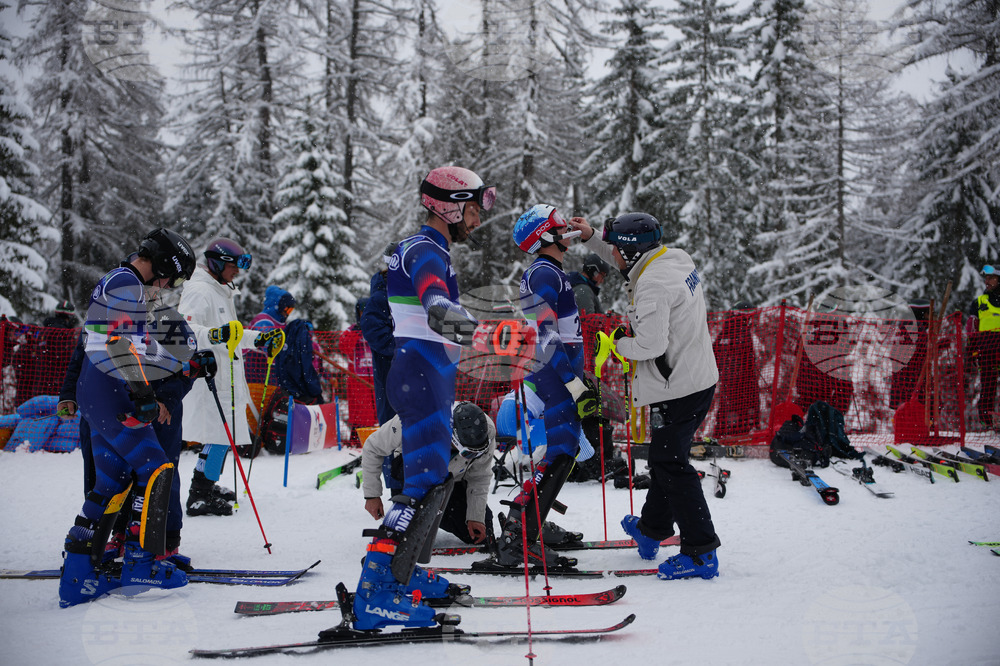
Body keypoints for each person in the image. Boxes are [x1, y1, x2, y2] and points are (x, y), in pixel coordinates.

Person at [348, 165, 493, 632]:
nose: (477, 219)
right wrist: (491, 336)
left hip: (426, 373)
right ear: (449, 206)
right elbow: (436, 307)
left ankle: (402, 571)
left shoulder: (426, 248)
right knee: (422, 483)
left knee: (431, 478)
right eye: (473, 209)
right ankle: (376, 589)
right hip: (421, 375)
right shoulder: (427, 250)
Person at [568, 212, 721, 581]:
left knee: (669, 464)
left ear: (633, 253)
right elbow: (624, 255)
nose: (613, 258)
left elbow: (650, 345)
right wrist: (591, 237)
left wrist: (617, 341)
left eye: (618, 251)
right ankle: (652, 530)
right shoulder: (672, 259)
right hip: (693, 378)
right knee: (665, 458)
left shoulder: (652, 283)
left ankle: (701, 552)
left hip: (680, 386)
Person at [58, 228, 196, 608]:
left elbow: (111, 339)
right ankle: (142, 563)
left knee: (111, 478)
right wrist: (142, 393)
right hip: (109, 388)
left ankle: (78, 574)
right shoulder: (128, 284)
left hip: (98, 387)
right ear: (164, 263)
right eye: (171, 275)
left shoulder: (118, 281)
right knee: (156, 468)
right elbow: (117, 344)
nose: (167, 284)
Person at [487, 203, 594, 570]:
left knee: (563, 456)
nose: (567, 230)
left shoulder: (551, 271)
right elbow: (546, 335)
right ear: (545, 236)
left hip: (560, 374)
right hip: (555, 376)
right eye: (560, 226)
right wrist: (571, 381)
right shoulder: (544, 273)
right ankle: (519, 535)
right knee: (560, 455)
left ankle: (528, 525)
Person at [178, 238, 284, 517]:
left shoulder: (220, 291)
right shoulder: (200, 291)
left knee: (223, 436)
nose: (238, 272)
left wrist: (259, 340)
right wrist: (213, 336)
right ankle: (198, 496)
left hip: (227, 376)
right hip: (211, 377)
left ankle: (206, 485)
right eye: (234, 266)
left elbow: (231, 332)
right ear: (217, 263)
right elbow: (184, 331)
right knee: (219, 435)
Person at [361, 401, 495, 545]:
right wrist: (372, 495)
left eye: (477, 453)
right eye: (468, 453)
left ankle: (435, 511)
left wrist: (475, 517)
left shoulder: (487, 431)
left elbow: (479, 477)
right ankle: (407, 513)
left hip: (452, 482)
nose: (471, 457)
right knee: (408, 540)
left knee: (478, 534)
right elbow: (372, 447)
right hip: (411, 476)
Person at [249, 285, 322, 404]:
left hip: (273, 372)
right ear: (278, 306)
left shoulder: (281, 324)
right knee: (261, 404)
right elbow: (266, 346)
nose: (287, 313)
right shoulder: (264, 321)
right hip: (258, 372)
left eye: (291, 311)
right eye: (287, 309)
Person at [360, 241, 398, 426]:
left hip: (413, 370)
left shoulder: (408, 293)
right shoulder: (381, 296)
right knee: (393, 424)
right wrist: (400, 348)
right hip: (391, 372)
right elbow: (372, 329)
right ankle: (392, 455)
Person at [968, 265, 1000, 428]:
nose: (987, 281)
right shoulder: (979, 302)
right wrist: (971, 351)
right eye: (986, 278)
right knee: (988, 387)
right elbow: (972, 328)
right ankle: (987, 423)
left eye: (991, 278)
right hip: (987, 351)